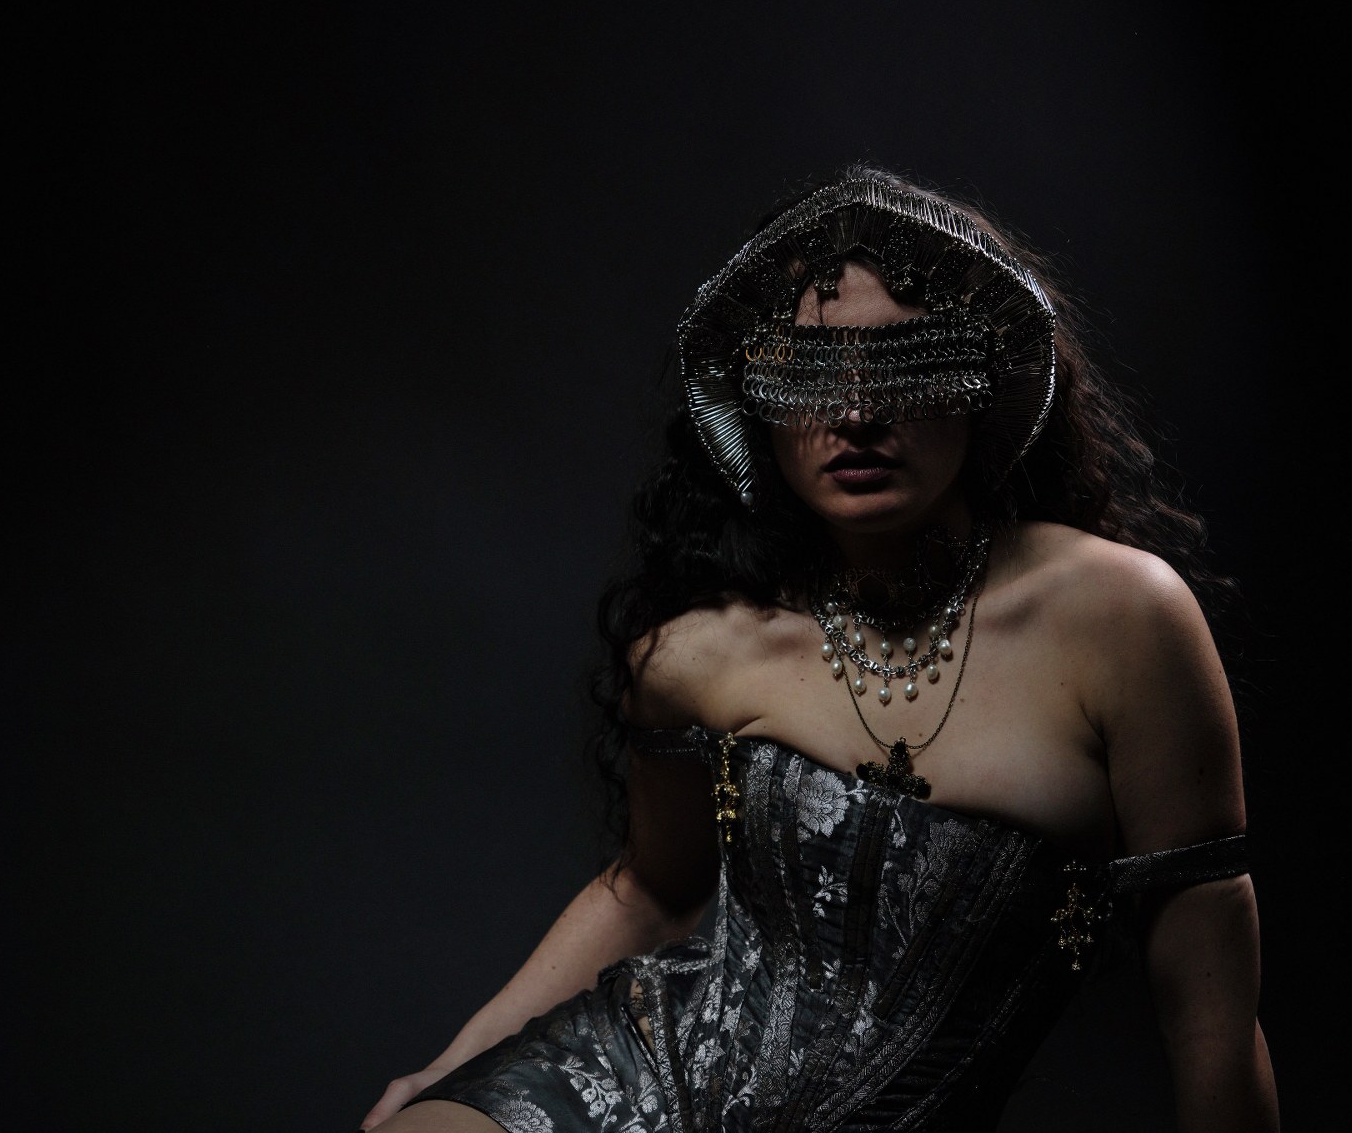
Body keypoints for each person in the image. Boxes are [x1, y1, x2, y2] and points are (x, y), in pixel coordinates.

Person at [361, 166, 1278, 1131]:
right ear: (757, 403)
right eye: (810, 372)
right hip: (616, 1083)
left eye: (904, 364)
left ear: (981, 381)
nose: (856, 414)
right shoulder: (702, 649)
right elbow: (649, 892)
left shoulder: (1121, 619)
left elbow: (1211, 1013)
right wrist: (447, 1066)